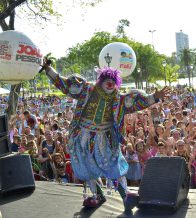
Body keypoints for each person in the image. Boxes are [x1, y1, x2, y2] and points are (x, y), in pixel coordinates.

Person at [42, 59, 170, 208]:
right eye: (107, 80)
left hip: (106, 138)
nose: (110, 84)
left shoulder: (119, 98)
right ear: (101, 80)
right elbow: (64, 85)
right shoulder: (86, 89)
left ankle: (125, 196)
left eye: (113, 81)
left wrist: (154, 97)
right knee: (86, 167)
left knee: (113, 165)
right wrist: (48, 69)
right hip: (83, 136)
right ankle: (98, 195)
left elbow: (136, 104)